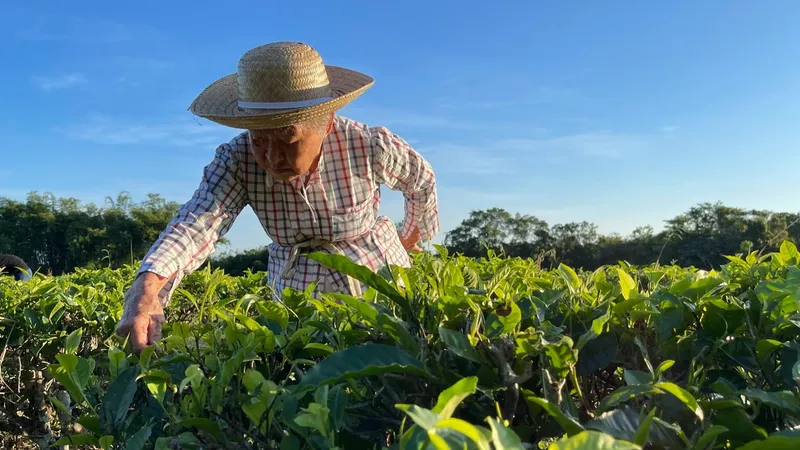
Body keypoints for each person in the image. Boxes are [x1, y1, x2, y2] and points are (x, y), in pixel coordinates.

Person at [115, 41, 439, 353]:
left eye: (288, 138)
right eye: (259, 139)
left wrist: (410, 236)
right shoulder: (237, 159)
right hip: (298, 289)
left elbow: (421, 181)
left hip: (376, 277)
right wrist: (147, 286)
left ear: (326, 125)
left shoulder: (368, 144)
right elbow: (198, 221)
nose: (271, 156)